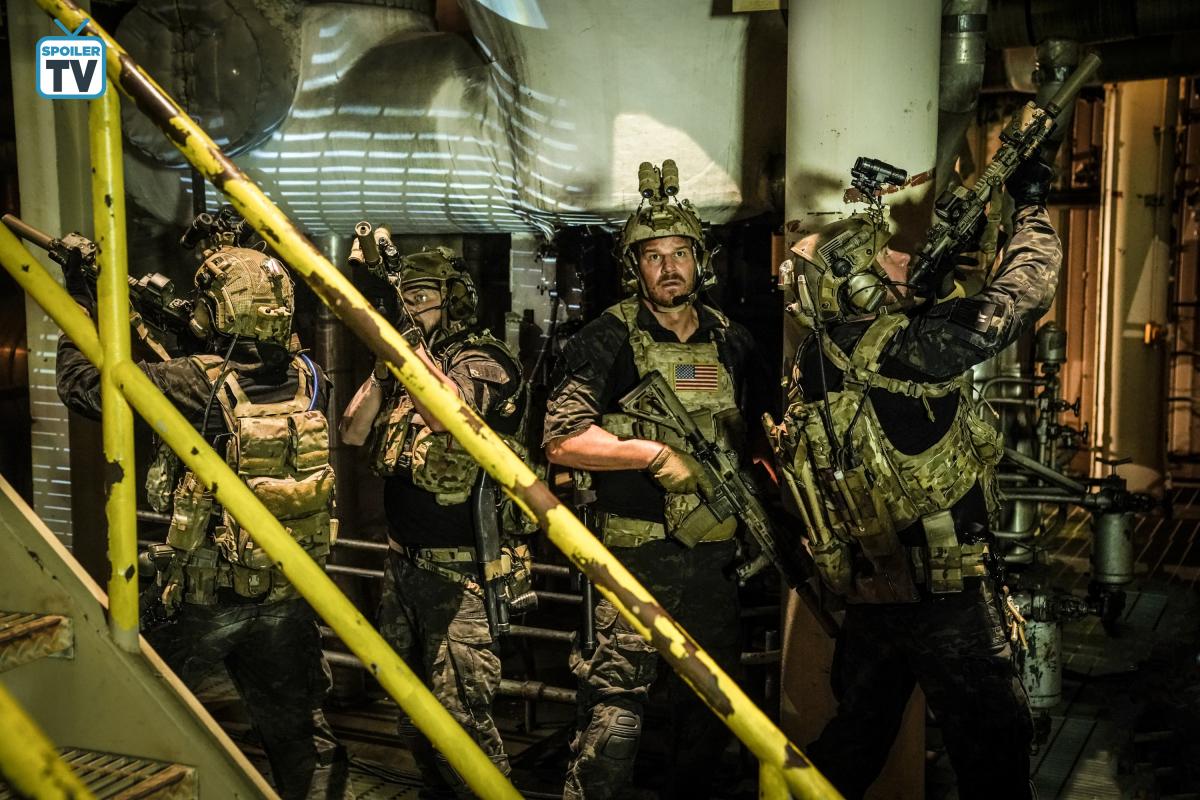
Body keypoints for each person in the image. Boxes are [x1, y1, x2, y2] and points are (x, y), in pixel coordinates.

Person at [775, 158, 1061, 800]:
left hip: (875, 587)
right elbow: (1024, 293)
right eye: (884, 262)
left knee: (857, 737)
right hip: (945, 591)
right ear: (858, 288)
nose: (902, 261)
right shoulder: (909, 347)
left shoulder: (818, 353)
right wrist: (1030, 209)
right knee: (995, 751)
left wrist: (944, 257)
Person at [56, 242, 351, 800]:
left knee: (130, 709)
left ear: (220, 311)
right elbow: (252, 365)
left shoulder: (196, 383)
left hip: (204, 597)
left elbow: (83, 387)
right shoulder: (311, 376)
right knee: (300, 738)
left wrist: (81, 299)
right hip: (287, 592)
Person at [543, 161, 767, 800]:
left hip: (713, 563)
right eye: (653, 257)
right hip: (633, 561)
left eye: (680, 254)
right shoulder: (606, 338)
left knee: (713, 714)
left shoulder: (730, 340)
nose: (669, 268)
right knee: (614, 721)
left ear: (701, 261)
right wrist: (651, 455)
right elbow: (562, 438)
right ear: (634, 268)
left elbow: (751, 433)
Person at [339, 244, 526, 798]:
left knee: (462, 724)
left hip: (462, 578)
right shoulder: (408, 365)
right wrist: (384, 366)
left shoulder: (482, 360)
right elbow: (352, 431)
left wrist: (406, 347)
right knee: (412, 715)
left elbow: (447, 416)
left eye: (421, 297)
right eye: (406, 298)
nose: (411, 308)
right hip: (404, 569)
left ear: (455, 301)